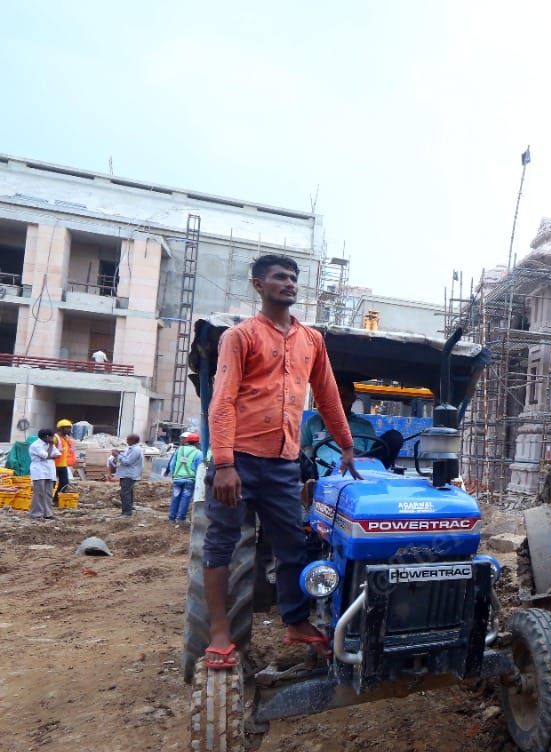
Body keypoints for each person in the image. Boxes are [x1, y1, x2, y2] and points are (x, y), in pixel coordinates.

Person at [202, 254, 359, 670]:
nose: (288, 283)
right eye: (278, 277)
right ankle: (219, 631)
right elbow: (223, 401)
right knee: (221, 543)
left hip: (283, 464)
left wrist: (346, 444)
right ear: (259, 285)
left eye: (292, 278)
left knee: (292, 546)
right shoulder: (240, 336)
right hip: (238, 460)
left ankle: (295, 621)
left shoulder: (312, 340)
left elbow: (326, 396)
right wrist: (223, 463)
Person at [300, 376, 404, 471]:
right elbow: (301, 448)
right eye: (335, 397)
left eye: (344, 397)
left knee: (394, 437)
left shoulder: (364, 426)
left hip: (355, 473)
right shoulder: (313, 423)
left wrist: (356, 454)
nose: (339, 402)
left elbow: (373, 454)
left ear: (353, 399)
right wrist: (311, 460)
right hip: (323, 477)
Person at [166, 433, 202, 523]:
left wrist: (173, 474)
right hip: (190, 480)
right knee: (185, 498)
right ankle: (181, 518)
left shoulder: (179, 450)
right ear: (197, 442)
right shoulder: (198, 453)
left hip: (177, 478)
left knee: (175, 497)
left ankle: (171, 517)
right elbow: (199, 468)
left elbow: (172, 464)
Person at [28, 428, 59, 520]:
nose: (53, 439)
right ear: (47, 437)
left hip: (49, 471)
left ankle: (47, 513)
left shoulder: (50, 445)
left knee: (48, 493)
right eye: (51, 437)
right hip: (39, 471)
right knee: (39, 493)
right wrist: (50, 452)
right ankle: (36, 514)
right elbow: (46, 455)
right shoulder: (36, 445)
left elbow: (57, 454)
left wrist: (49, 455)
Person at [115, 434, 143, 517]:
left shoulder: (136, 450)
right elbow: (125, 457)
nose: (126, 441)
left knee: (125, 493)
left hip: (129, 474)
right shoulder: (131, 448)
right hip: (126, 474)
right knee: (129, 492)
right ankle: (129, 508)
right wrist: (119, 454)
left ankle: (127, 512)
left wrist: (117, 455)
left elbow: (128, 461)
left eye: (128, 440)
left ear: (133, 440)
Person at [53, 419, 77, 497]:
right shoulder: (55, 438)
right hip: (54, 465)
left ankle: (56, 498)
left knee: (64, 483)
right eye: (67, 428)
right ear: (61, 428)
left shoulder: (66, 439)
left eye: (69, 428)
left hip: (62, 465)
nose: (69, 429)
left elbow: (71, 450)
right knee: (52, 483)